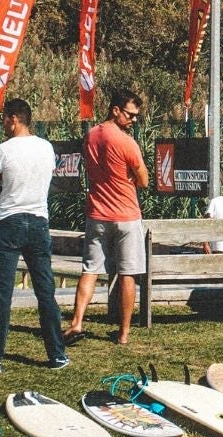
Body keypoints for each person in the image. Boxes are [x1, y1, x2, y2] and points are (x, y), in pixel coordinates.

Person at [0, 98, 66, 372]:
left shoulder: (2, 150)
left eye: (4, 119)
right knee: (46, 292)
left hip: (9, 221)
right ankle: (56, 354)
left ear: (14, 119)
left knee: (3, 294)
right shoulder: (46, 147)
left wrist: (7, 190)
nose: (3, 124)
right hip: (39, 221)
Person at [68, 86, 150, 345]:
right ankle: (123, 333)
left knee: (90, 270)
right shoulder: (127, 142)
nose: (133, 120)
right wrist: (128, 179)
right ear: (116, 110)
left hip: (97, 212)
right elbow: (145, 180)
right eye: (130, 114)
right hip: (125, 214)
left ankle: (77, 322)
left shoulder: (91, 135)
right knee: (128, 273)